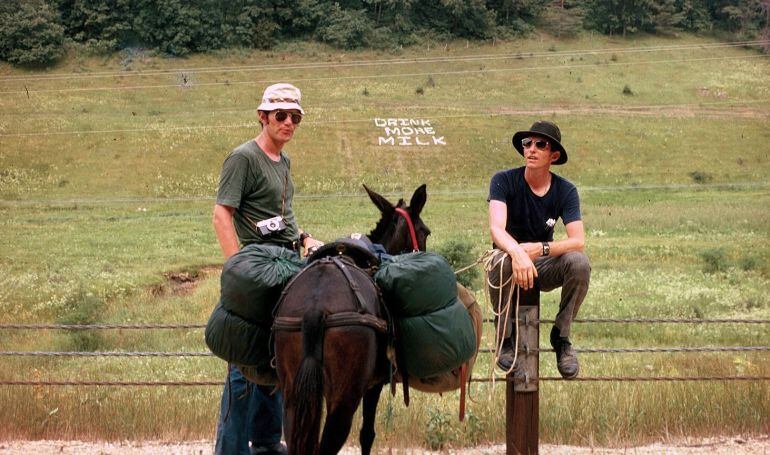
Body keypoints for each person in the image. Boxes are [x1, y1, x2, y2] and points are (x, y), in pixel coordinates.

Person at [212, 82, 323, 455]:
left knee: (277, 357)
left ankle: (265, 442)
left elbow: (283, 218)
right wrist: (238, 269)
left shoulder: (285, 162)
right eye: (281, 115)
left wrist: (306, 239)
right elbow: (221, 215)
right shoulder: (243, 157)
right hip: (257, 264)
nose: (288, 122)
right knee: (245, 360)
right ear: (263, 116)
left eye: (295, 117)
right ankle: (231, 449)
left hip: (287, 262)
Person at [487, 120, 590, 379]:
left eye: (540, 144)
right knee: (501, 262)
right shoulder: (503, 180)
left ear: (553, 155)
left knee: (579, 263)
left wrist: (539, 248)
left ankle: (561, 337)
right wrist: (518, 253)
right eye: (527, 143)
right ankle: (504, 338)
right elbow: (497, 230)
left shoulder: (566, 190)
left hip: (541, 263)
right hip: (507, 260)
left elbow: (578, 241)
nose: (531, 149)